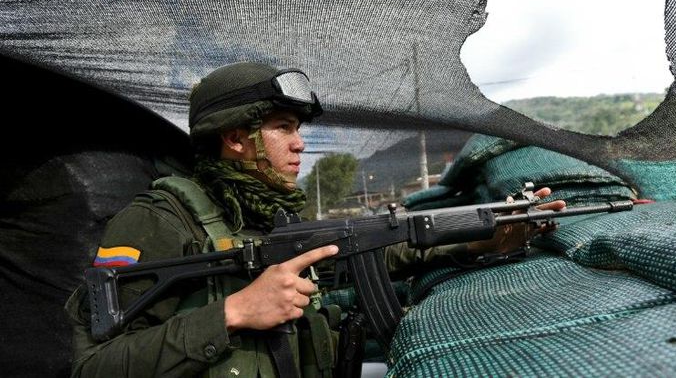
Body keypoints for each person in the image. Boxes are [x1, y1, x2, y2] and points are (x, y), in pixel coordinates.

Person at [65, 61, 565, 377]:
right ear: (236, 139)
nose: (301, 143)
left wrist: (483, 238)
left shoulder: (271, 216)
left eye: (297, 128)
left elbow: (377, 253)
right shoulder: (157, 221)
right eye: (283, 128)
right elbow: (93, 367)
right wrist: (233, 312)